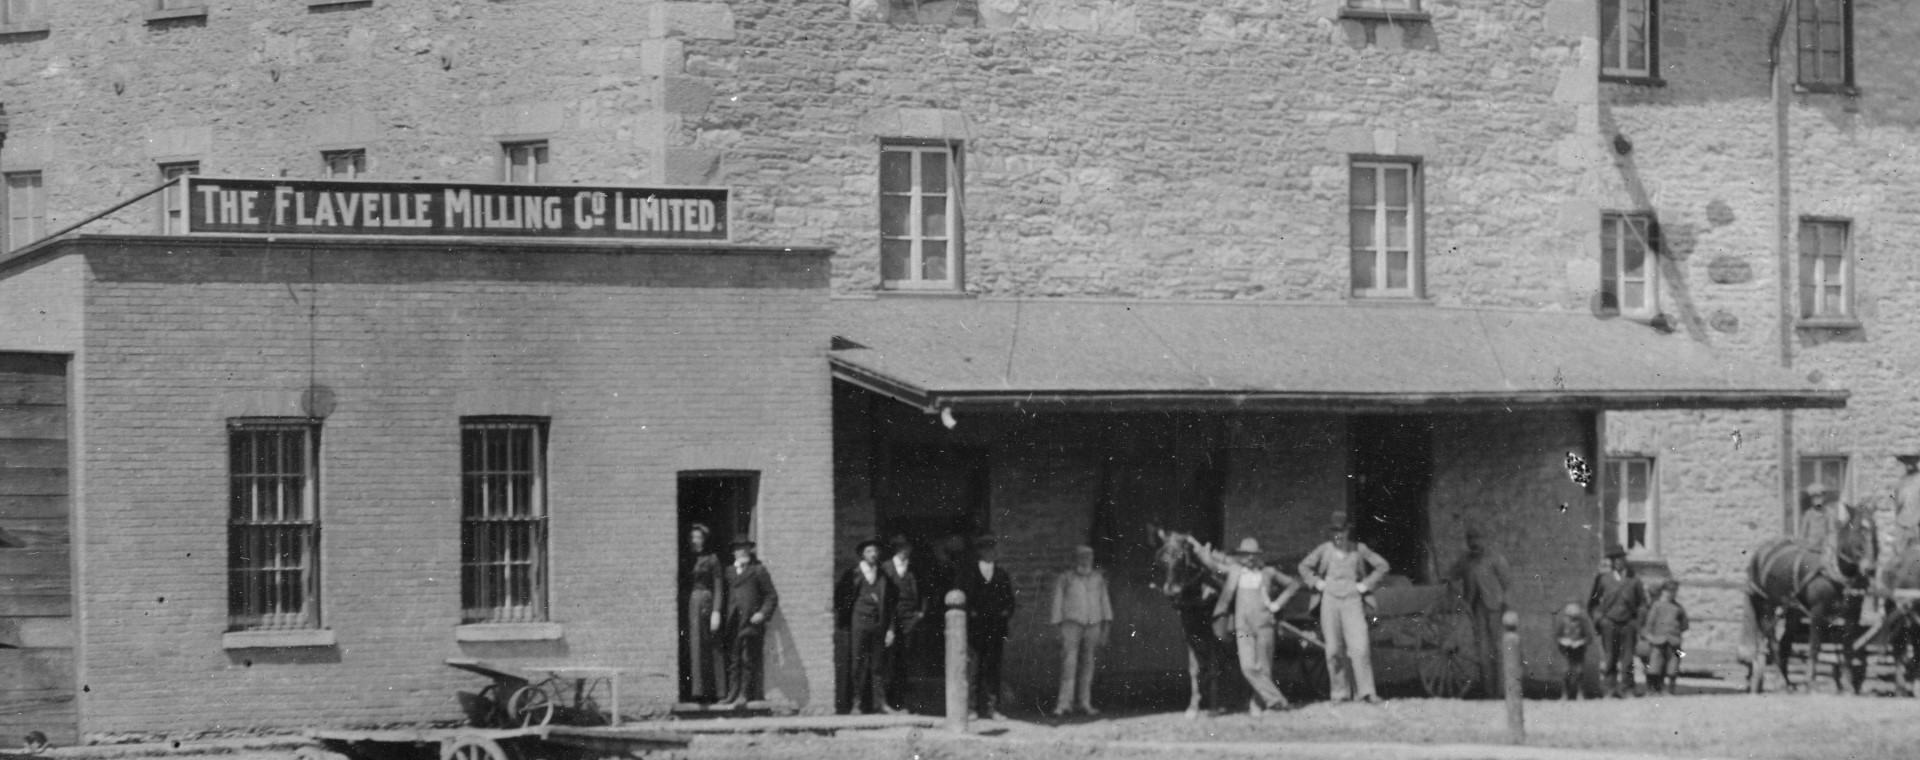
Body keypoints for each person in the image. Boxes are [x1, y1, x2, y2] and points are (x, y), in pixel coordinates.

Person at [1191, 535, 1300, 714]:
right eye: (1245, 555)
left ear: (1259, 556)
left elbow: (1294, 585)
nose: (1249, 558)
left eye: (1253, 555)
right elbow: (1215, 567)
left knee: (1264, 668)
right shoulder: (1235, 571)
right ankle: (1278, 700)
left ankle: (1261, 704)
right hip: (1244, 628)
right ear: (1240, 557)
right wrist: (1202, 555)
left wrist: (1277, 604)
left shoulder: (1268, 573)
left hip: (1265, 626)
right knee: (1248, 666)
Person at [1299, 511, 1391, 704]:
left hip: (1352, 601)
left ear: (1347, 531)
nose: (1337, 536)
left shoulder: (1358, 549)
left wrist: (1364, 585)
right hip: (1330, 602)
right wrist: (1317, 583)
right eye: (1334, 532)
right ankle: (1339, 693)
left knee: (1360, 647)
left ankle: (1366, 692)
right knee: (1333, 649)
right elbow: (1304, 567)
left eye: (1341, 532)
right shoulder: (1324, 550)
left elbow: (1382, 566)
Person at [953, 534, 1016, 720]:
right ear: (979, 551)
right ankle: (972, 708)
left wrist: (1005, 612)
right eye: (985, 549)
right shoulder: (969, 573)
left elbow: (1010, 600)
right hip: (975, 628)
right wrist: (970, 613)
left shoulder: (1001, 574)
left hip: (995, 628)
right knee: (974, 668)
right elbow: (961, 596)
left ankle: (992, 709)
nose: (989, 553)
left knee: (993, 668)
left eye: (992, 549)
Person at [1445, 525, 1511, 698]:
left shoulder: (1495, 558)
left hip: (1495, 608)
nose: (1474, 545)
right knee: (1482, 650)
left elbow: (1507, 583)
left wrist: (1506, 604)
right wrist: (1449, 581)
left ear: (1484, 540)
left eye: (1477, 541)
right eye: (1471, 542)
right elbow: (1451, 574)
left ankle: (1502, 692)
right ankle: (1489, 693)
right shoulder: (1466, 560)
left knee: (1498, 648)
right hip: (1476, 608)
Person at [835, 538, 897, 714]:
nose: (873, 554)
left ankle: (881, 703)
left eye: (875, 552)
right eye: (869, 551)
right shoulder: (853, 574)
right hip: (858, 623)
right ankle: (856, 703)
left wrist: (890, 629)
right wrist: (845, 619)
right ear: (862, 554)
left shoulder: (883, 576)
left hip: (879, 624)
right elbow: (841, 599)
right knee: (857, 663)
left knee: (878, 664)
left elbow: (892, 604)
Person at [1050, 545, 1113, 716]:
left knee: (1088, 664)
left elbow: (1104, 602)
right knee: (1068, 664)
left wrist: (1106, 624)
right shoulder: (1066, 578)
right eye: (1082, 557)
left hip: (1093, 623)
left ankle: (1085, 702)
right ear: (1076, 559)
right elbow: (1058, 602)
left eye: (1089, 557)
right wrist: (1057, 626)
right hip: (1071, 624)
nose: (1086, 561)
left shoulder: (1098, 579)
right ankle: (1064, 704)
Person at [718, 538, 779, 709]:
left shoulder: (758, 570)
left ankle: (744, 694)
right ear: (733, 552)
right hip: (732, 623)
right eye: (738, 549)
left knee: (747, 658)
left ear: (750, 551)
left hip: (750, 622)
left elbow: (771, 596)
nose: (742, 552)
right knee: (733, 659)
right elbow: (722, 595)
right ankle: (732, 694)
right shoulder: (728, 572)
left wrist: (762, 613)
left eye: (745, 549)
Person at [1587, 543, 1645, 698]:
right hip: (1609, 623)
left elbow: (1643, 604)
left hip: (1628, 624)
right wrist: (1600, 620)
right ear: (1611, 562)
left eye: (1620, 558)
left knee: (1628, 659)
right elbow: (1592, 604)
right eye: (1614, 559)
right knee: (1610, 657)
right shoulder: (1603, 579)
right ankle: (1609, 689)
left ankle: (1627, 688)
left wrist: (1636, 623)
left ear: (1625, 559)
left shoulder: (1634, 580)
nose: (1618, 561)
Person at [680, 523, 724, 704]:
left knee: (711, 646)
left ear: (704, 540)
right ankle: (697, 692)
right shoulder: (686, 559)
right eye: (692, 537)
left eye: (697, 537)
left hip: (706, 601)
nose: (694, 541)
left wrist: (716, 611)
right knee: (695, 646)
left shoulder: (712, 559)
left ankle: (718, 692)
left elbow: (719, 587)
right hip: (690, 604)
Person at [882, 535, 923, 713]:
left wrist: (919, 613)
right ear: (897, 549)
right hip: (889, 621)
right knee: (888, 660)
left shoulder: (912, 569)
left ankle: (900, 700)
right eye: (903, 548)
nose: (906, 552)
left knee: (904, 660)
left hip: (908, 621)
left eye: (907, 548)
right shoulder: (885, 568)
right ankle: (886, 701)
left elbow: (922, 592)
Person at [1641, 579, 1688, 696]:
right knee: (1654, 666)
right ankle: (1653, 689)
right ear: (1663, 592)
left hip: (1674, 642)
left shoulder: (1678, 608)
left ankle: (1669, 689)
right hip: (1658, 641)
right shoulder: (1657, 606)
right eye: (1668, 591)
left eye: (1674, 591)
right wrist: (1650, 637)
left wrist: (1675, 633)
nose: (1671, 594)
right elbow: (1649, 624)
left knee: (1674, 664)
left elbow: (1684, 625)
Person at [1554, 601, 1595, 700]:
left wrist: (1581, 642)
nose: (1573, 618)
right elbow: (1557, 637)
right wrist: (1564, 641)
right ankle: (1564, 694)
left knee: (1579, 671)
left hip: (1578, 652)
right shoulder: (1563, 623)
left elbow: (1589, 637)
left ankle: (1580, 693)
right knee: (1566, 671)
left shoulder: (1582, 623)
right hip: (1566, 652)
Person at [1892, 455, 1920, 555]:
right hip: (1901, 528)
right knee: (1900, 558)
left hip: (1915, 527)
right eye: (1906, 461)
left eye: (1912, 461)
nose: (1909, 464)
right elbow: (1896, 507)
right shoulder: (1901, 482)